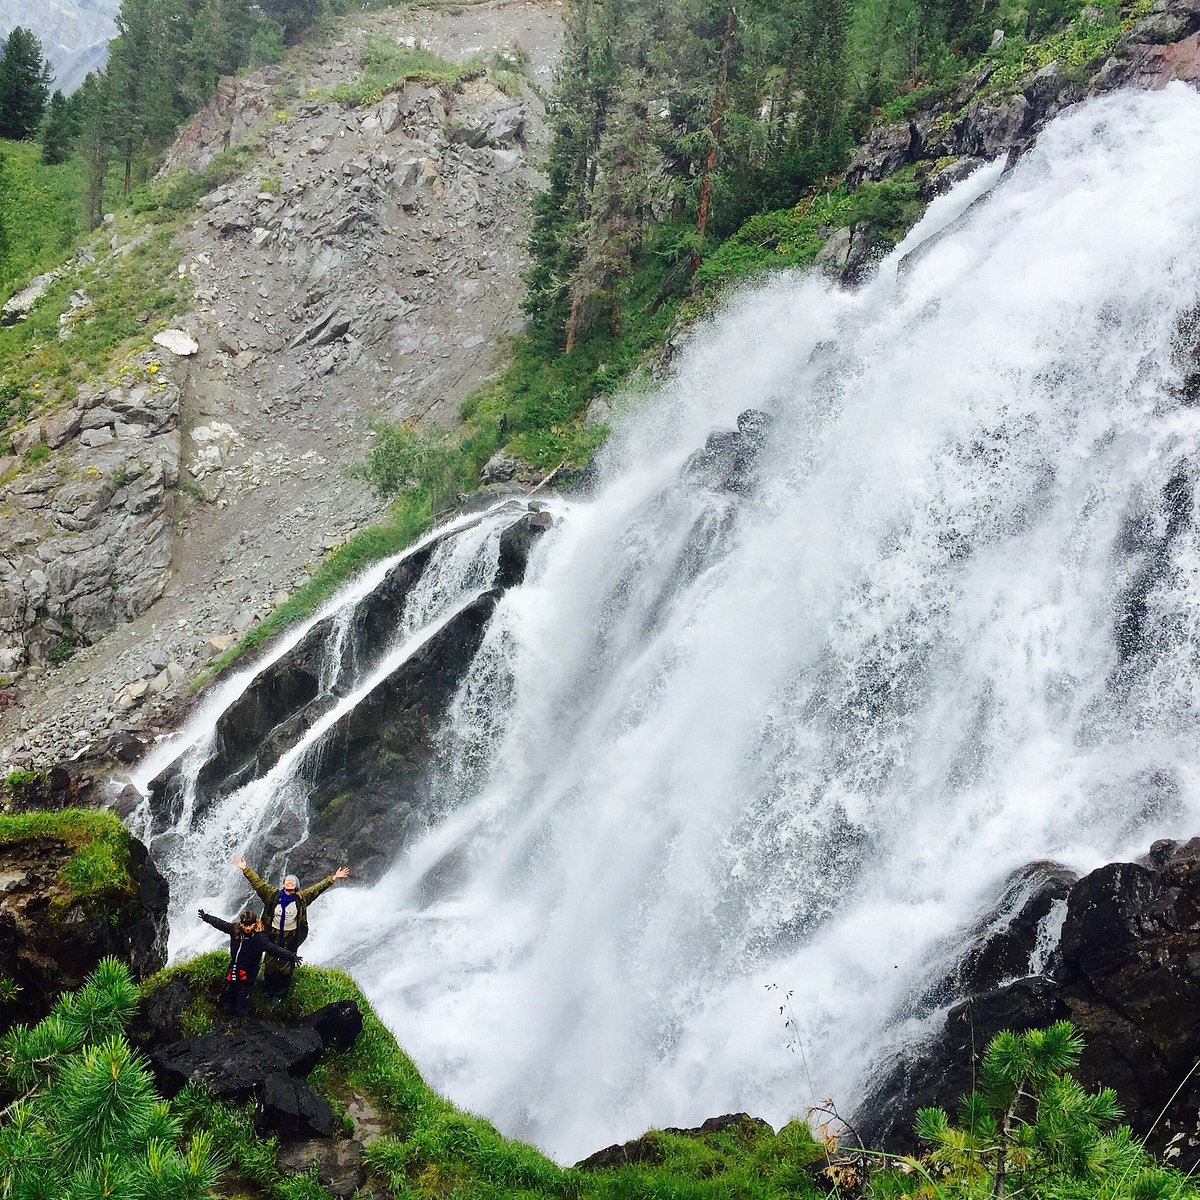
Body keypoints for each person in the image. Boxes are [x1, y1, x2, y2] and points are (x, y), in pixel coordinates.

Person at [233, 856, 350, 1005]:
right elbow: (258, 883)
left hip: (290, 936)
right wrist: (245, 868)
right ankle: (268, 990)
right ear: (283, 884)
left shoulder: (302, 898)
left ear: (297, 886)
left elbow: (318, 888)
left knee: (285, 965)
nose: (289, 881)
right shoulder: (272, 895)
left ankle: (280, 994)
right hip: (272, 934)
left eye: (292, 881)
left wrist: (333, 878)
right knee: (270, 963)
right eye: (287, 880)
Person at [198, 907, 299, 1019]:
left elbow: (274, 949)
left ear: (255, 924)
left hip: (249, 971)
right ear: (240, 924)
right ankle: (229, 1012)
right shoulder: (234, 930)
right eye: (245, 925)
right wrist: (206, 917)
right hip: (234, 967)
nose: (247, 928)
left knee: (243, 993)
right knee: (232, 989)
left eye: (250, 925)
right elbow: (221, 924)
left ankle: (240, 1018)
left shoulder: (260, 939)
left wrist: (290, 956)